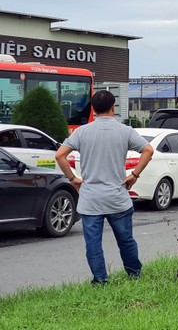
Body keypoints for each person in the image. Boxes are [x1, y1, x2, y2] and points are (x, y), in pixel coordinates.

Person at [55, 90, 154, 285]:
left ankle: (100, 280)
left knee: (93, 244)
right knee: (126, 240)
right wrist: (134, 175)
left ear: (93, 109)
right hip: (117, 197)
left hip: (91, 199)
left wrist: (73, 179)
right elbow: (148, 150)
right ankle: (134, 275)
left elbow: (60, 155)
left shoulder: (82, 132)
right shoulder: (125, 131)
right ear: (113, 108)